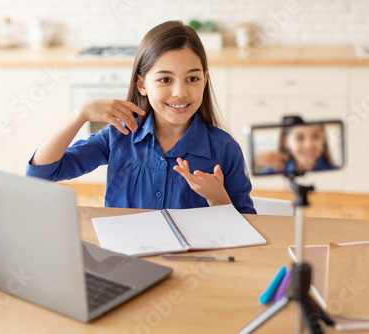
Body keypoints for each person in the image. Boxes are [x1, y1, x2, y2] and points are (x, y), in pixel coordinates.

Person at [26, 20, 256, 214]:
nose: (180, 92)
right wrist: (81, 114)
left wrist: (218, 199)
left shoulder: (225, 149)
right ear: (142, 84)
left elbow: (247, 225)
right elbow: (41, 174)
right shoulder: (120, 135)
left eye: (192, 79)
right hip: (127, 261)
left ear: (205, 81)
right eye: (165, 79)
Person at [258, 124, 338, 175]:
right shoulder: (272, 171)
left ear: (323, 137)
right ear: (286, 141)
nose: (309, 145)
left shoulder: (335, 171)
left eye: (316, 136)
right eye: (299, 138)